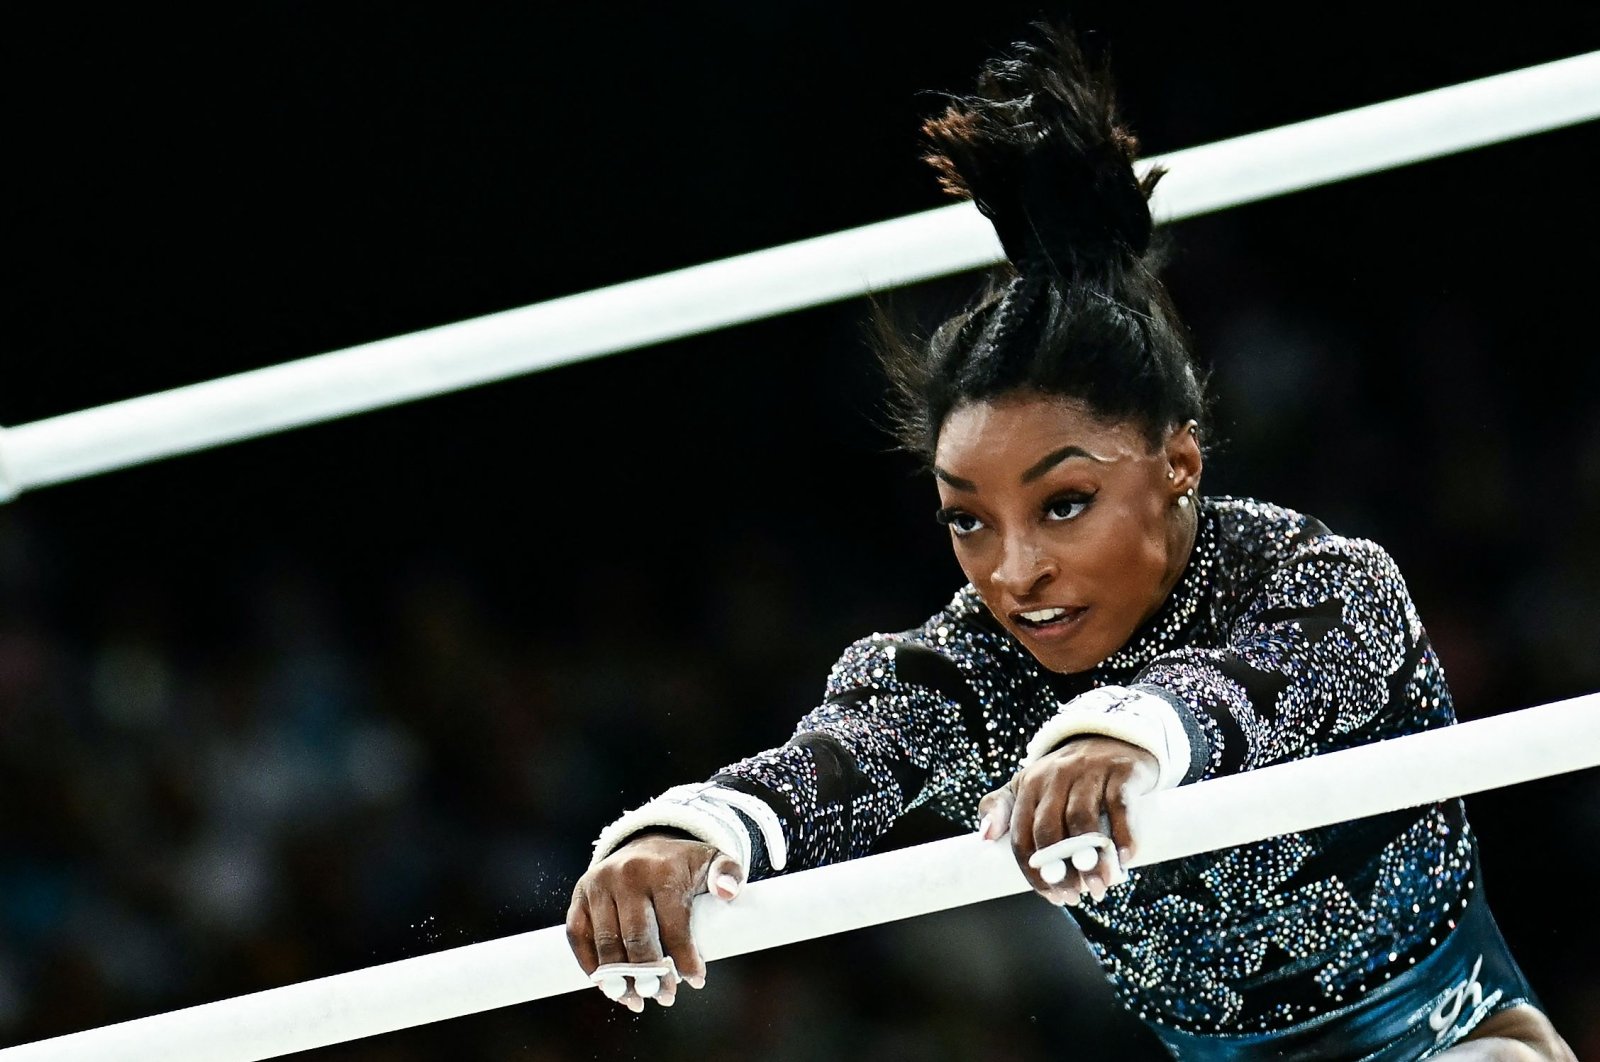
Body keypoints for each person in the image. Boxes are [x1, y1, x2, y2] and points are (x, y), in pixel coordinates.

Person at [564, 24, 1575, 1061]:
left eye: (1062, 505)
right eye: (968, 519)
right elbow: (836, 761)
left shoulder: (1327, 587)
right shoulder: (968, 673)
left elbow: (1235, 689)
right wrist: (688, 834)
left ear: (1177, 465)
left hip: (1453, 1028)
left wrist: (1120, 741)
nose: (1015, 571)